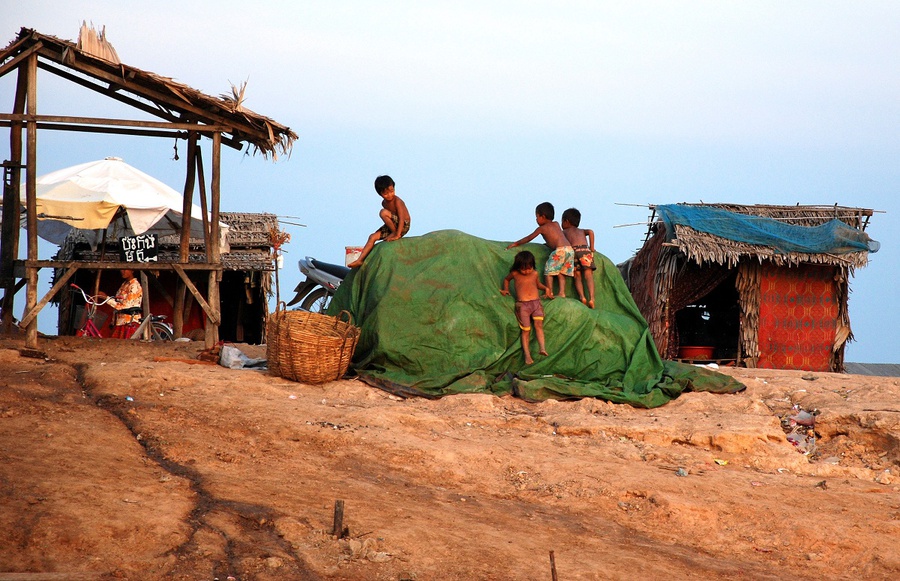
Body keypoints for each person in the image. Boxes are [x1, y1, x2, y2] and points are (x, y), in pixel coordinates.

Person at [506, 202, 574, 298]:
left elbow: (529, 238)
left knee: (548, 271)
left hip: (560, 250)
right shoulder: (556, 224)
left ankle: (549, 292)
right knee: (561, 272)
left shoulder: (542, 228)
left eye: (537, 216)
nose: (536, 219)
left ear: (542, 216)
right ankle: (562, 292)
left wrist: (516, 243)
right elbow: (556, 237)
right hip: (569, 250)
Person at [347, 175, 411, 268]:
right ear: (380, 194)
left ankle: (394, 232)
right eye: (386, 193)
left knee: (383, 212)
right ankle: (360, 260)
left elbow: (401, 218)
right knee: (372, 237)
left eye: (392, 191)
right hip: (393, 225)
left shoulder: (397, 201)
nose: (390, 195)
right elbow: (390, 219)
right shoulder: (384, 203)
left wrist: (397, 234)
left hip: (403, 225)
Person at [500, 250, 552, 365]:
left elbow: (537, 285)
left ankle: (542, 348)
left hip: (536, 303)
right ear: (518, 267)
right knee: (526, 331)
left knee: (539, 325)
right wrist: (506, 290)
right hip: (523, 305)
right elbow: (506, 280)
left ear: (532, 266)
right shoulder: (515, 274)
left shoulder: (534, 273)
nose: (526, 271)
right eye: (523, 269)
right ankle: (527, 356)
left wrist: (546, 289)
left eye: (529, 268)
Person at [561, 207, 597, 308]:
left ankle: (582, 297)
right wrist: (592, 247)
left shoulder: (565, 232)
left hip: (573, 252)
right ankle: (592, 298)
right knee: (588, 274)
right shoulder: (581, 231)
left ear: (566, 221)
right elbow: (591, 231)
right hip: (584, 251)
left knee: (577, 276)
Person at [97, 269, 143, 339]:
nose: (122, 271)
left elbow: (125, 307)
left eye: (125, 269)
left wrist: (106, 298)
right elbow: (117, 301)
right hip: (120, 322)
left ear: (132, 270)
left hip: (128, 322)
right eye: (121, 269)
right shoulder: (124, 284)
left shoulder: (134, 286)